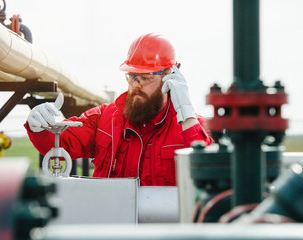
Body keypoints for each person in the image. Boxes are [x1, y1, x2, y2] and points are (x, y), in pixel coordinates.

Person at [25, 32, 213, 186]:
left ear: (169, 77)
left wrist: (186, 112)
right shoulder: (104, 119)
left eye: (145, 77)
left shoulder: (191, 127)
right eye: (131, 76)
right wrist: (39, 126)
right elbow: (60, 143)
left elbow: (211, 173)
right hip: (111, 227)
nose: (135, 85)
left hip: (164, 229)